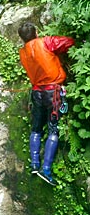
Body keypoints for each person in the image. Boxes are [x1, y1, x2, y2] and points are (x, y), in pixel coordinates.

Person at [18, 22, 75, 186]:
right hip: (53, 92)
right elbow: (67, 42)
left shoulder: (23, 52)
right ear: (36, 32)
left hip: (37, 93)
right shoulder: (46, 42)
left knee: (36, 128)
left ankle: (35, 164)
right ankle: (46, 170)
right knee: (53, 129)